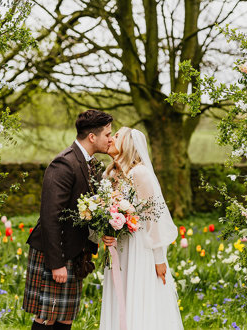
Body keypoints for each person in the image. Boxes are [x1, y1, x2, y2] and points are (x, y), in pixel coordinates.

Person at [23, 110, 113, 330]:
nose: (110, 139)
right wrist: (56, 264)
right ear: (92, 137)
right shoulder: (64, 164)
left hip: (75, 252)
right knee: (47, 317)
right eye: (107, 135)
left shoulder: (92, 164)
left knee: (65, 318)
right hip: (54, 252)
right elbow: (50, 216)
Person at [100, 127, 183, 330]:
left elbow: (154, 218)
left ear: (127, 143)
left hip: (139, 248)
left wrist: (159, 258)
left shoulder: (140, 174)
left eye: (116, 135)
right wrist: (106, 233)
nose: (110, 139)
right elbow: (104, 213)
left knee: (139, 297)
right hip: (119, 248)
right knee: (120, 298)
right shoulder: (109, 175)